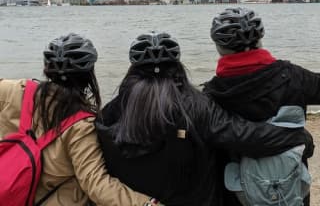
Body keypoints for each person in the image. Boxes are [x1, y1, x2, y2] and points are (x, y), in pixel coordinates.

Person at [96, 31, 313, 206]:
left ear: (133, 70)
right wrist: (295, 136)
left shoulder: (111, 113)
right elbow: (244, 135)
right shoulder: (195, 105)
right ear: (177, 67)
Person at [0, 33, 160, 206]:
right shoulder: (81, 126)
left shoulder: (15, 91)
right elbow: (96, 184)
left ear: (48, 68)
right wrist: (147, 204)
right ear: (88, 76)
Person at [203, 7, 320, 206]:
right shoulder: (293, 77)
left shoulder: (210, 96)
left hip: (238, 194)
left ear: (219, 47)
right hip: (292, 190)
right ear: (259, 40)